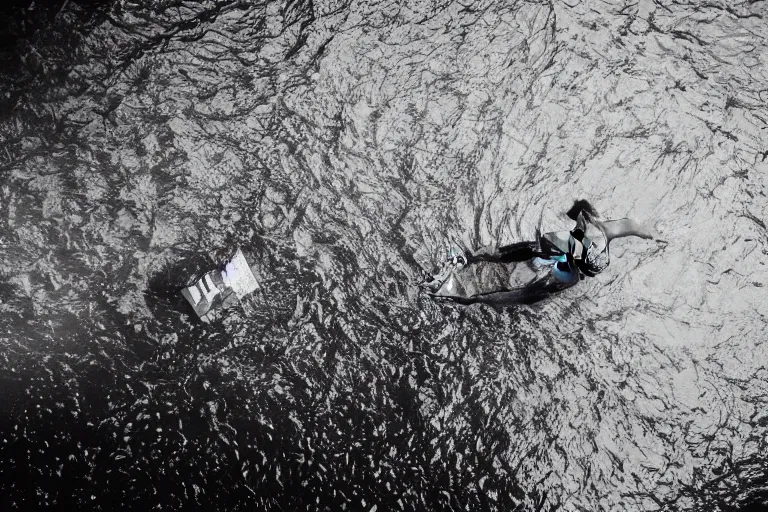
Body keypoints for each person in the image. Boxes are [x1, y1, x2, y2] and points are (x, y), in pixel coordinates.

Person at [422, 200, 662, 302]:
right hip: (550, 256)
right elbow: (628, 225)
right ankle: (466, 266)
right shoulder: (598, 230)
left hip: (553, 262)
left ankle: (458, 294)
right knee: (509, 257)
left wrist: (649, 233)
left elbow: (627, 225)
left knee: (521, 290)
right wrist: (652, 234)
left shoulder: (572, 264)